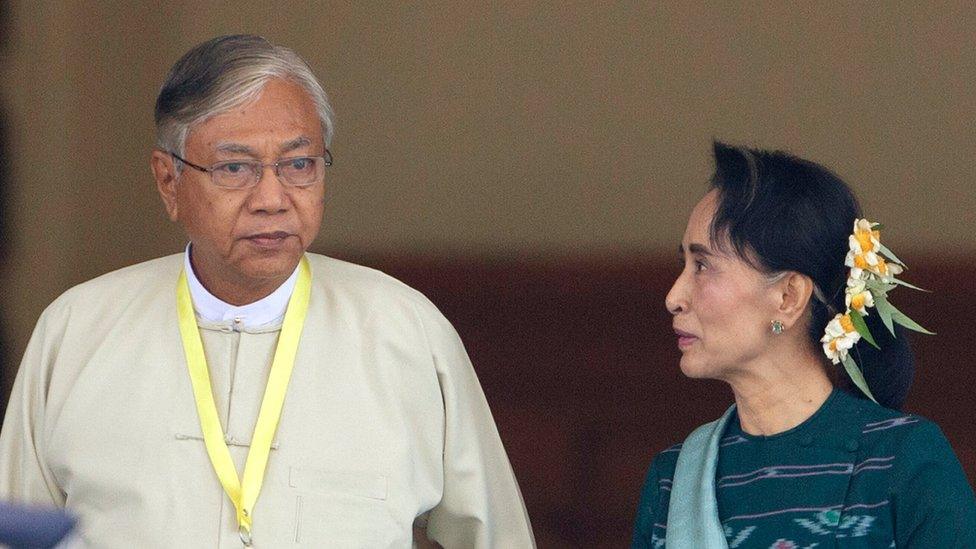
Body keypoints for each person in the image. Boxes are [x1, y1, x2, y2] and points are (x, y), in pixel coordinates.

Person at [0, 34, 535, 548]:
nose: (272, 199)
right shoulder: (76, 333)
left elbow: (498, 538)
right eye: (236, 168)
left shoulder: (407, 333)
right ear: (168, 181)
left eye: (299, 165)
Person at [631, 142, 976, 548]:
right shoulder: (673, 481)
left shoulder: (902, 461)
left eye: (703, 265)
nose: (674, 296)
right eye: (683, 265)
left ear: (788, 297)